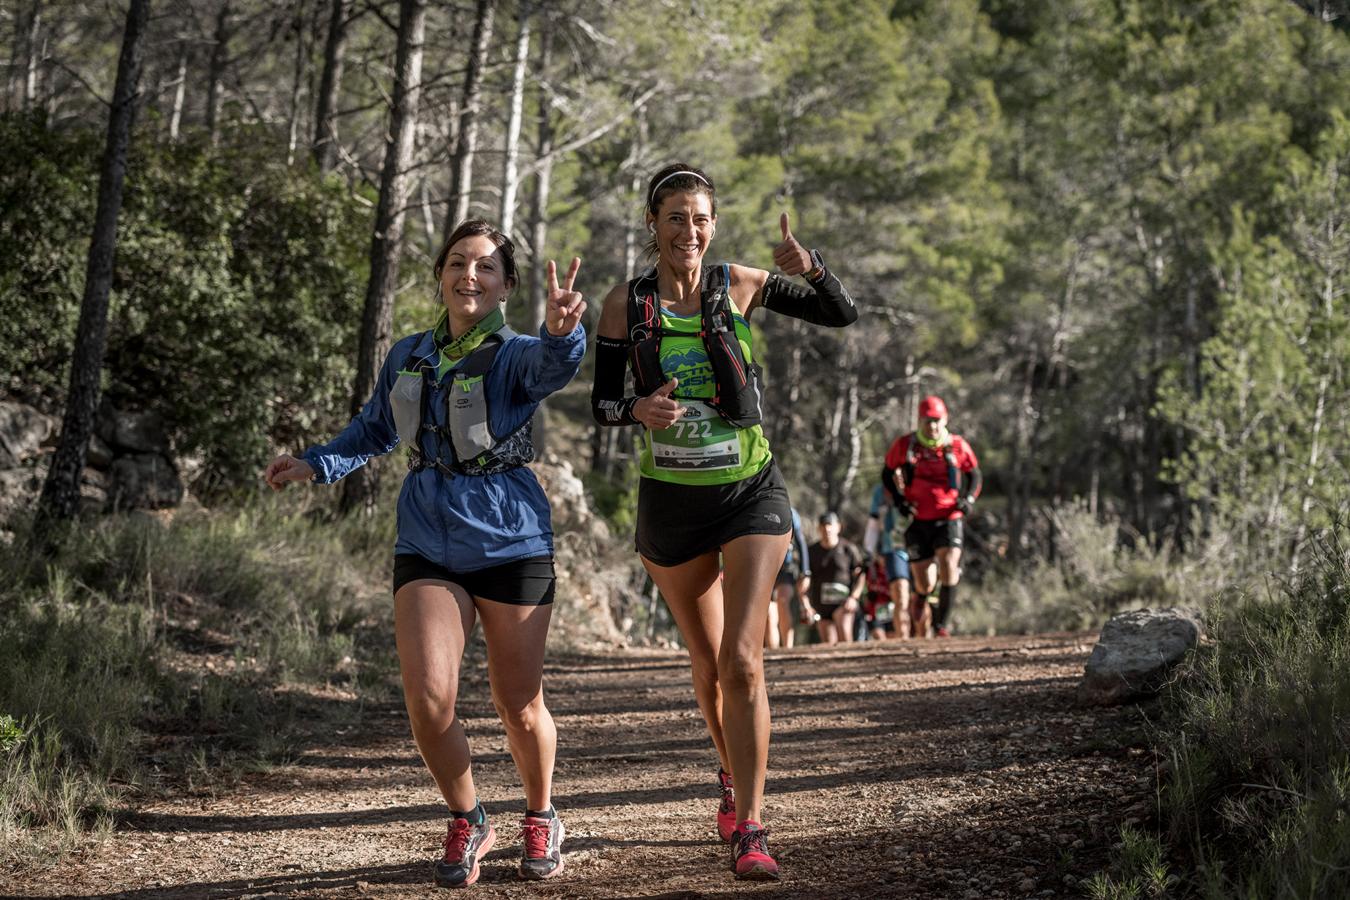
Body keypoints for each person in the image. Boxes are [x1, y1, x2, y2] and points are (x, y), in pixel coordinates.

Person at [263, 220, 587, 888]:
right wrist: (313, 465)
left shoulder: (517, 354)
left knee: (518, 704)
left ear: (505, 285)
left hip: (509, 534)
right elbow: (375, 429)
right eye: (458, 263)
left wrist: (562, 331)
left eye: (486, 267)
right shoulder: (408, 354)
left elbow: (555, 366)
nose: (470, 275)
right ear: (441, 273)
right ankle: (469, 817)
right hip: (427, 533)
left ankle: (541, 813)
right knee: (429, 699)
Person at [590, 163, 857, 880]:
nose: (690, 230)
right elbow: (603, 405)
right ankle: (729, 773)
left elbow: (841, 315)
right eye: (676, 217)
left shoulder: (740, 283)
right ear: (653, 223)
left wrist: (814, 269)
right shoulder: (624, 303)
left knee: (743, 659)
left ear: (715, 224)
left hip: (750, 492)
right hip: (671, 506)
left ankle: (752, 824)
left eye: (701, 217)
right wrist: (636, 410)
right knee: (708, 669)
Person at [880, 395, 981, 637]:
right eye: (927, 421)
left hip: (949, 516)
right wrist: (899, 501)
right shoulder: (906, 445)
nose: (933, 426)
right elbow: (887, 473)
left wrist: (968, 500)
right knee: (924, 581)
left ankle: (941, 626)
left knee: (948, 565)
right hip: (917, 519)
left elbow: (974, 474)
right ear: (920, 421)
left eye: (937, 421)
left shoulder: (957, 445)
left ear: (944, 420)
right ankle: (922, 596)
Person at [864, 483, 928, 638]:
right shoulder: (881, 491)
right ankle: (903, 639)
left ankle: (924, 638)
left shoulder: (921, 483)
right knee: (899, 594)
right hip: (893, 549)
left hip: (920, 548)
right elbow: (873, 523)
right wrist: (868, 551)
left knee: (922, 592)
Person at [803, 511, 867, 645]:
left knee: (844, 638)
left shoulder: (848, 549)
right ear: (819, 528)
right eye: (823, 525)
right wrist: (806, 605)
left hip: (843, 604)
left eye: (830, 525)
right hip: (821, 606)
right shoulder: (811, 552)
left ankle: (851, 664)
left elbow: (861, 575)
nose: (827, 529)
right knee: (828, 645)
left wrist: (854, 597)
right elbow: (804, 582)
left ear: (838, 527)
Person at [765, 505, 811, 649]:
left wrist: (805, 571)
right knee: (768, 613)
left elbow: (801, 542)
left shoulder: (790, 511)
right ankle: (773, 652)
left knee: (783, 602)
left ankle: (787, 648)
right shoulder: (758, 508)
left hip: (786, 566)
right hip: (766, 568)